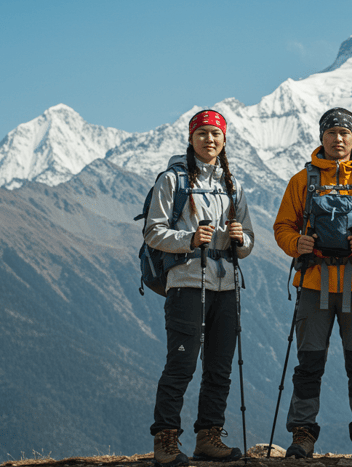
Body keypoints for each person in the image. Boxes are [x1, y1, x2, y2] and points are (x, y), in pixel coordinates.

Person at [273, 107, 352, 460]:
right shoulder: (303, 181)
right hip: (315, 281)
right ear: (321, 138)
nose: (338, 139)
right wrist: (296, 244)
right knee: (309, 362)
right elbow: (283, 226)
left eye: (344, 133)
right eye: (332, 133)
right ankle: (302, 433)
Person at [146, 109, 255, 467]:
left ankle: (209, 437)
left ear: (225, 140)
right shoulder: (172, 181)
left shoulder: (233, 184)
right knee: (181, 364)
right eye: (203, 133)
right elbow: (153, 231)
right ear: (191, 139)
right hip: (187, 282)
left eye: (216, 134)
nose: (210, 140)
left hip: (226, 284)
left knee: (219, 366)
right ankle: (166, 439)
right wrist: (189, 238)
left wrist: (242, 240)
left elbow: (248, 240)